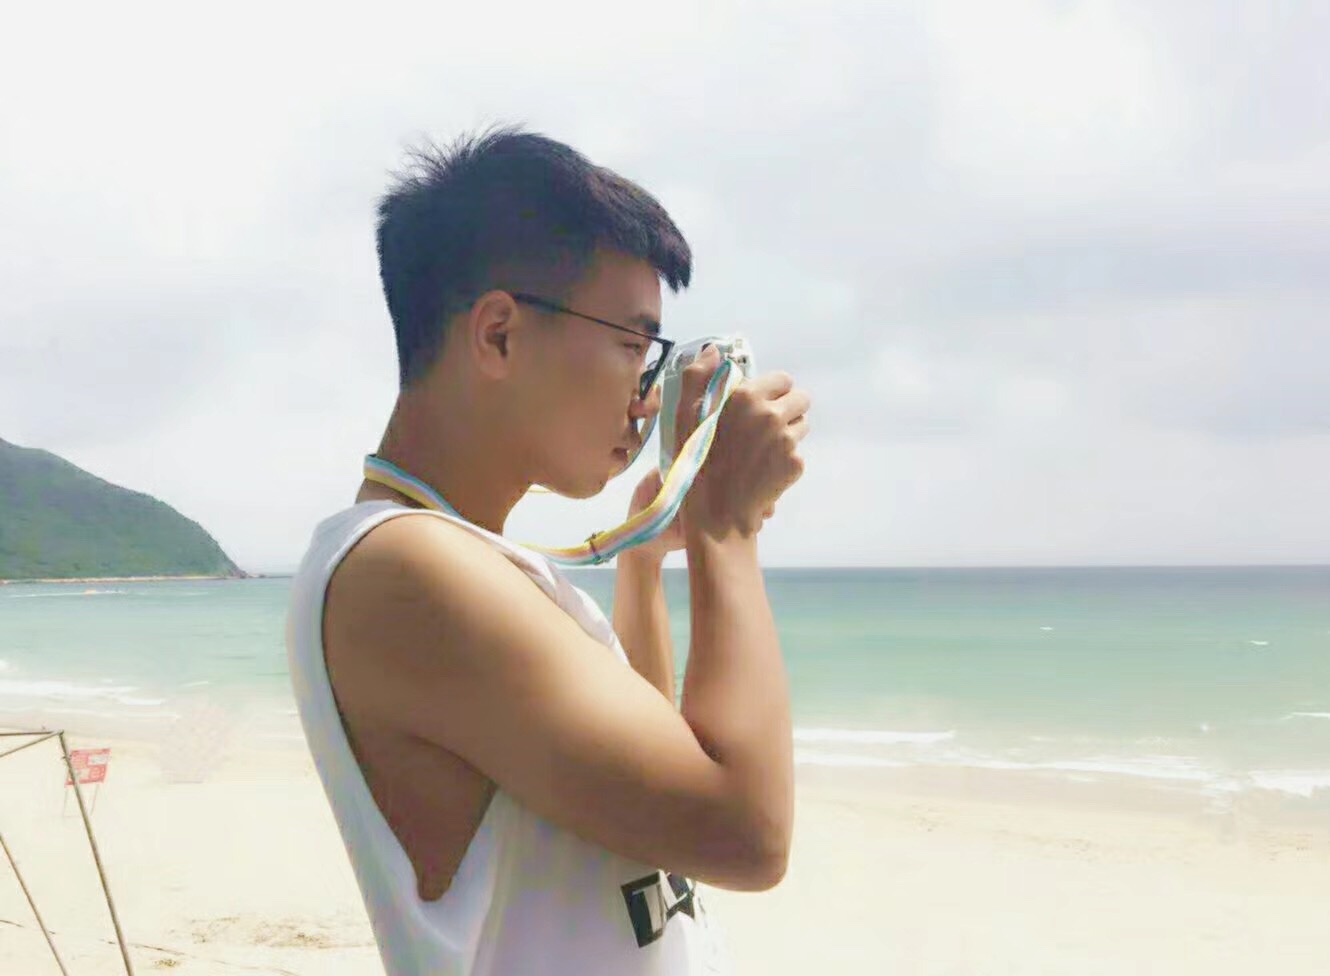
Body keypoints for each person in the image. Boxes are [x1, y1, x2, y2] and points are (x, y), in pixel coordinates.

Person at [285, 124, 811, 975]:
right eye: (634, 345)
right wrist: (727, 528)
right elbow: (747, 834)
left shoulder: (453, 558)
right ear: (498, 334)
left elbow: (645, 787)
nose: (647, 397)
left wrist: (643, 564)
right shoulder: (405, 568)